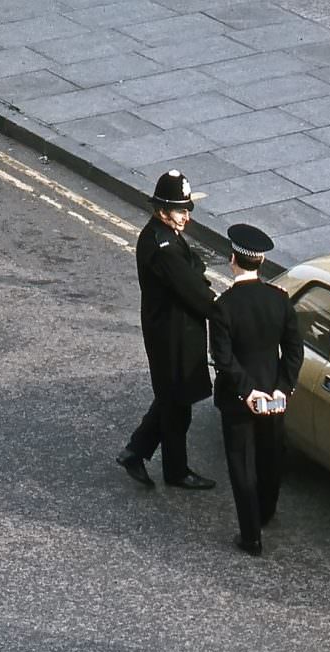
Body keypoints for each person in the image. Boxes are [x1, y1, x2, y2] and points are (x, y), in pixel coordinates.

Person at [116, 170, 218, 490]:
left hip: (172, 331)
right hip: (172, 336)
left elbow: (195, 264)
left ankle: (136, 451)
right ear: (162, 211)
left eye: (187, 210)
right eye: (180, 211)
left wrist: (196, 271)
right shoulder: (163, 245)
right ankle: (176, 471)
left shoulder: (163, 234)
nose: (186, 218)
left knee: (171, 399)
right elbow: (195, 290)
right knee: (177, 406)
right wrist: (224, 312)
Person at [209, 224, 304, 556]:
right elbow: (294, 350)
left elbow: (223, 358)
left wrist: (247, 392)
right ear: (260, 261)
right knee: (269, 456)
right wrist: (282, 389)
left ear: (233, 260)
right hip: (274, 396)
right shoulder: (279, 300)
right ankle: (266, 511)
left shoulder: (223, 306)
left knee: (242, 465)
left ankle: (251, 536)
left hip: (239, 401)